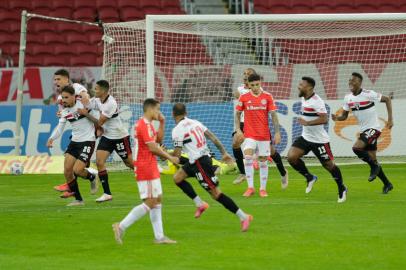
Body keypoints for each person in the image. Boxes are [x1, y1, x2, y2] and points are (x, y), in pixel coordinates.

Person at [171, 103, 253, 232]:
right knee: (177, 178)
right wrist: (224, 152)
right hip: (198, 160)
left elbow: (176, 156)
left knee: (216, 194)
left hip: (200, 164)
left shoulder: (177, 130)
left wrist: (163, 154)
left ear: (173, 115)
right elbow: (212, 137)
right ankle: (200, 204)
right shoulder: (195, 122)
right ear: (186, 113)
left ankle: (244, 217)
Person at [112, 98, 179, 244]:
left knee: (158, 199)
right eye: (157, 109)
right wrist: (170, 158)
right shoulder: (142, 125)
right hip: (145, 167)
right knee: (151, 201)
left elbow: (158, 141)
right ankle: (121, 226)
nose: (159, 112)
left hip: (150, 165)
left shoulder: (149, 125)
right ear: (150, 109)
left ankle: (159, 237)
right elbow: (153, 147)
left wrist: (162, 122)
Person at [287, 77, 347, 203]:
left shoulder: (317, 101)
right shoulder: (304, 98)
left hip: (319, 140)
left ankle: (342, 189)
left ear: (309, 87)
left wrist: (307, 123)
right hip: (306, 137)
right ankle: (310, 177)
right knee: (292, 157)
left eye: (301, 84)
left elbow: (324, 119)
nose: (299, 86)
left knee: (329, 166)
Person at [332, 72, 393, 194]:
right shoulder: (347, 98)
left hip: (374, 129)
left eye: (354, 80)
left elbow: (387, 99)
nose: (351, 82)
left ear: (360, 83)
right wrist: (337, 118)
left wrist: (390, 119)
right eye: (350, 80)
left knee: (356, 148)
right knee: (372, 159)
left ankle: (374, 168)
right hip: (365, 131)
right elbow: (344, 116)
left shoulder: (368, 94)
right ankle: (387, 184)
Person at [78, 80, 133, 202]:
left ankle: (148, 173)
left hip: (119, 137)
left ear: (103, 90)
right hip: (107, 137)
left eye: (96, 89)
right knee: (99, 161)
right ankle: (107, 193)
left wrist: (85, 114)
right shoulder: (97, 100)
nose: (94, 91)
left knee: (129, 164)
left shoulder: (111, 103)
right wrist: (78, 98)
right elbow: (86, 105)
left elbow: (100, 122)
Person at [232, 68, 288, 189]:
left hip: (259, 125)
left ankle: (283, 172)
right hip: (244, 122)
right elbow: (236, 95)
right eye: (244, 74)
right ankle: (243, 172)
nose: (246, 76)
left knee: (271, 151)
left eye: (249, 74)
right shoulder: (241, 89)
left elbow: (270, 111)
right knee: (235, 143)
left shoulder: (261, 91)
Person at [46, 86, 98, 206]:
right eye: (62, 98)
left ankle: (92, 177)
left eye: (66, 97)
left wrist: (87, 114)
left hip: (88, 141)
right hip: (74, 142)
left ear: (74, 96)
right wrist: (51, 138)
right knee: (67, 172)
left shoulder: (84, 104)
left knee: (78, 170)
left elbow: (97, 120)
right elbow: (59, 129)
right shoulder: (64, 111)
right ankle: (78, 200)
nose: (64, 100)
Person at [52, 69, 97, 192]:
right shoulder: (60, 98)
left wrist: (85, 98)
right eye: (55, 79)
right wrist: (61, 113)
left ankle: (76, 183)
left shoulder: (77, 87)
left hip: (88, 128)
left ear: (67, 79)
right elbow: (64, 113)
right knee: (69, 164)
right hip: (77, 132)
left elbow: (85, 97)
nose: (56, 82)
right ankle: (72, 188)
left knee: (76, 167)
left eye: (58, 79)